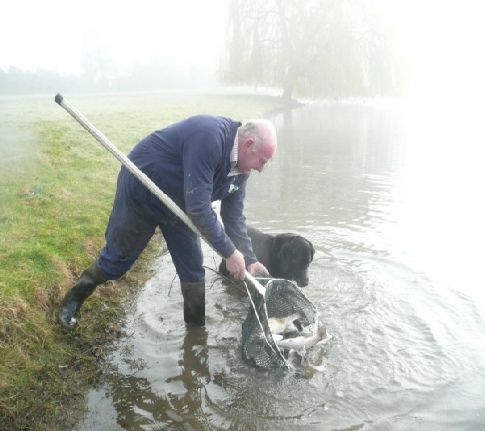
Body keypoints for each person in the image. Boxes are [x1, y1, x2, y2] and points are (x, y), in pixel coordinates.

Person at [59, 114, 277, 330]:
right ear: (248, 144)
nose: (261, 169)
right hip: (144, 187)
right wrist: (229, 253)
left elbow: (234, 217)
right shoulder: (210, 136)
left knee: (192, 269)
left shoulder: (241, 171)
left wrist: (249, 258)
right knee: (118, 259)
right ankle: (76, 296)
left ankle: (195, 332)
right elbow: (199, 209)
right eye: (262, 161)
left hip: (181, 203)